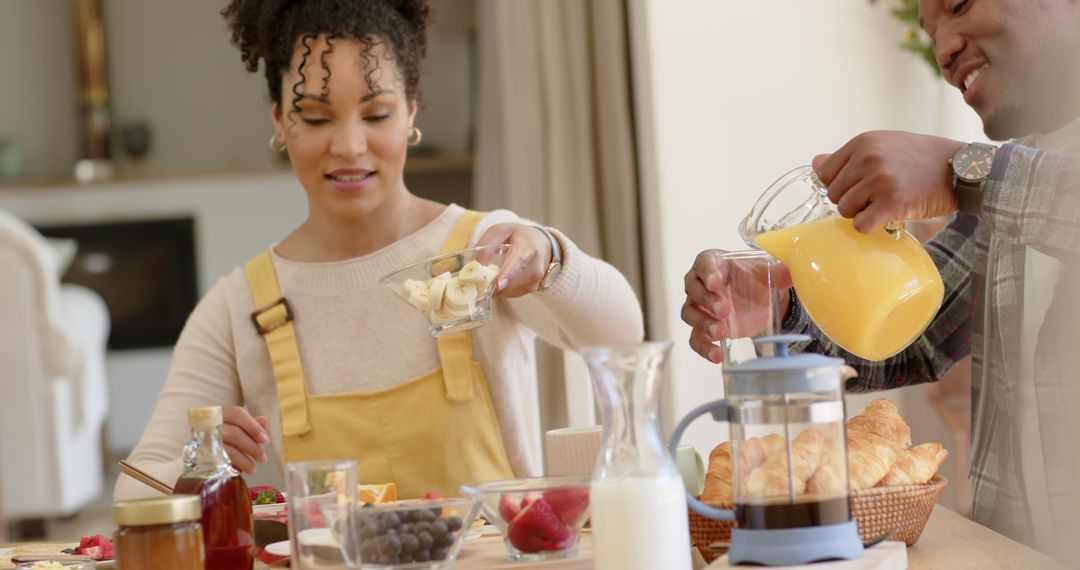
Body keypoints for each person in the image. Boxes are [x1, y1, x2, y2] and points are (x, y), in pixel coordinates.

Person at [116, 0, 643, 501]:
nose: (348, 145)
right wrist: (197, 461)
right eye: (317, 118)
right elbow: (133, 489)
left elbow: (622, 334)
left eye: (376, 114)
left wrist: (549, 258)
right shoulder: (241, 306)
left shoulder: (485, 249)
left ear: (411, 112)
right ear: (279, 120)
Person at [682, 0, 1080, 560]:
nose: (943, 49)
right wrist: (786, 309)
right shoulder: (1014, 177)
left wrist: (966, 175)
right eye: (931, 29)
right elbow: (910, 337)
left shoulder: (993, 183)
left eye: (958, 5)